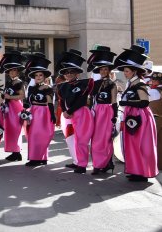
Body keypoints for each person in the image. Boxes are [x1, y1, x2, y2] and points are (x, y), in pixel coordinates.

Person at [115, 45, 158, 182]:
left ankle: (143, 172)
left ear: (134, 71)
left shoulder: (140, 84)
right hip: (132, 116)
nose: (125, 73)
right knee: (132, 144)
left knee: (141, 145)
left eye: (127, 71)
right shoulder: (131, 83)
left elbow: (144, 102)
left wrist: (127, 103)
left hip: (141, 117)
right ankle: (136, 170)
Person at [56, 49, 94, 174]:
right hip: (68, 116)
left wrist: (69, 111)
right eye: (66, 72)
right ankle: (76, 161)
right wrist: (65, 111)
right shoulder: (62, 86)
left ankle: (82, 165)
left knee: (82, 140)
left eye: (72, 72)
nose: (69, 74)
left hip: (81, 114)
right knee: (71, 139)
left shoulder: (84, 84)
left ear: (77, 73)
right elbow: (61, 100)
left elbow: (82, 101)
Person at [87, 46, 118, 175]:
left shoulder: (113, 84)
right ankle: (98, 164)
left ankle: (105, 163)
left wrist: (114, 116)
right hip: (96, 112)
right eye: (101, 69)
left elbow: (114, 101)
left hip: (107, 112)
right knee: (95, 139)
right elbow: (90, 99)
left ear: (109, 70)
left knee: (105, 139)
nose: (103, 71)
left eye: (106, 69)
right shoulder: (96, 83)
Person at [23, 53, 56, 166]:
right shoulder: (31, 88)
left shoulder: (48, 88)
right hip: (33, 112)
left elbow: (50, 102)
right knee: (32, 135)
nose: (38, 77)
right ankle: (35, 157)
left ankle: (41, 157)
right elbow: (28, 101)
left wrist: (52, 115)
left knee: (42, 135)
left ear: (44, 77)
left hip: (43, 113)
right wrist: (25, 110)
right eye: (36, 75)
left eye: (40, 75)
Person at [0, 51, 26, 162]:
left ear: (18, 72)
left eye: (14, 70)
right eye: (10, 70)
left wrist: (9, 97)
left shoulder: (19, 82)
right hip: (9, 108)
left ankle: (17, 152)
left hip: (16, 108)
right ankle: (13, 152)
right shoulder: (9, 82)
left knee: (16, 130)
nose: (11, 72)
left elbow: (22, 96)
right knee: (9, 130)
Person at [148, 72, 162, 171]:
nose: (152, 81)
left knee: (154, 143)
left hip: (156, 119)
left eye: (153, 80)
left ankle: (155, 165)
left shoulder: (154, 92)